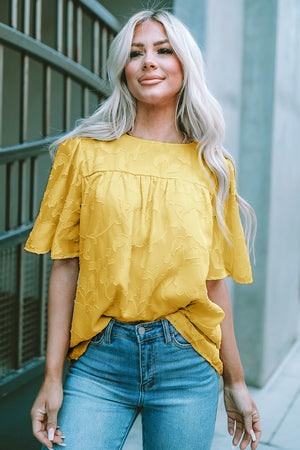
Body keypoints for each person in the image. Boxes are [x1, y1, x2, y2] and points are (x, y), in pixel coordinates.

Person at [25, 9, 262, 450]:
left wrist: (237, 383)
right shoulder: (82, 154)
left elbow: (214, 284)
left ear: (185, 65)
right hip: (99, 361)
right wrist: (52, 378)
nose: (149, 61)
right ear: (123, 70)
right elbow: (65, 269)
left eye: (163, 50)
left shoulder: (212, 166)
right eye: (136, 53)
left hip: (186, 365)